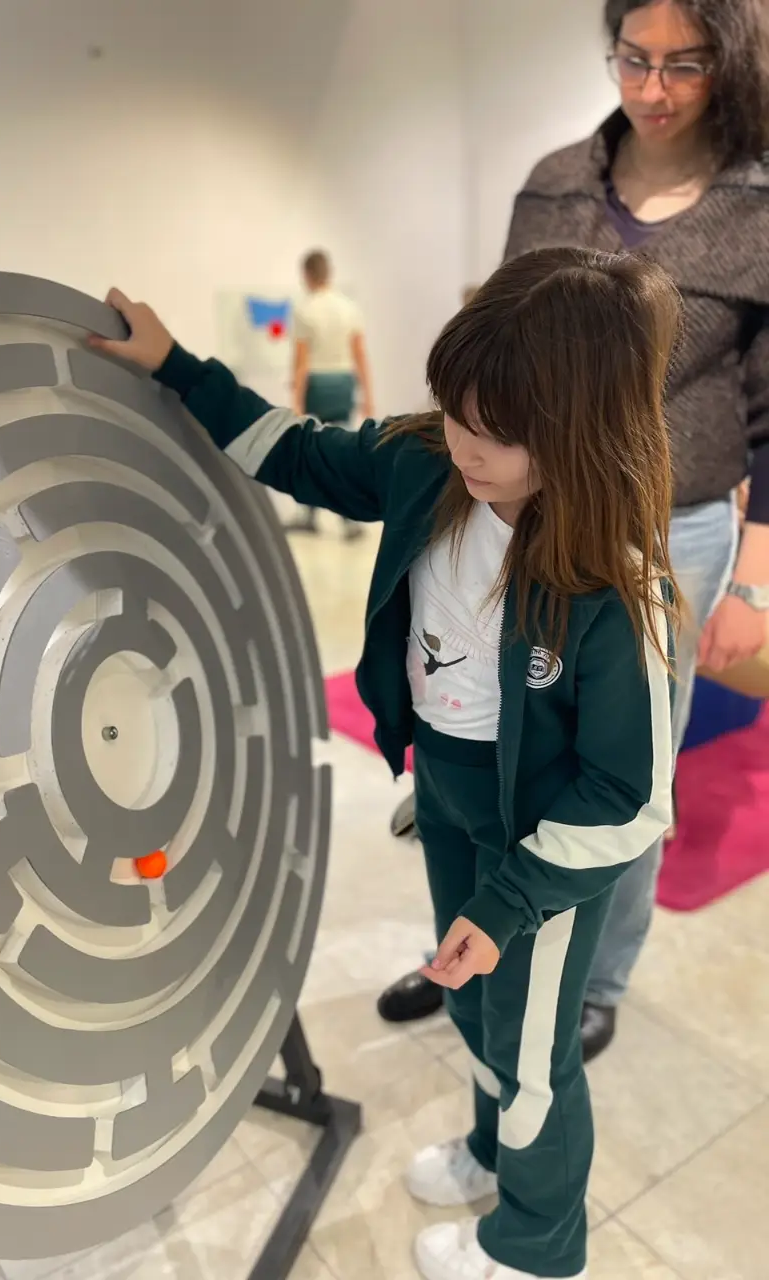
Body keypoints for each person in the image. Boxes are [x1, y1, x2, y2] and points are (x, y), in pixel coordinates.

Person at [88, 246, 680, 1280]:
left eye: (495, 432)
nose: (464, 445)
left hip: (541, 853)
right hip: (447, 798)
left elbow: (628, 799)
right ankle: (493, 1152)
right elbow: (299, 451)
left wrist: (511, 902)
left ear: (577, 433)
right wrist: (178, 365)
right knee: (471, 1005)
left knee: (531, 1049)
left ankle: (537, 1244)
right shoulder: (426, 463)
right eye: (455, 413)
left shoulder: (611, 584)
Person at [377, 0, 769, 1061]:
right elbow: (504, 332)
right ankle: (470, 940)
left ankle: (594, 978)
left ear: (731, 61)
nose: (653, 87)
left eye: (685, 64)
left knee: (622, 770)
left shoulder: (759, 202)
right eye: (633, 58)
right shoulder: (555, 181)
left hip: (674, 527)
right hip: (527, 513)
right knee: (487, 737)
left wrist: (754, 578)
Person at [285, 248, 374, 537]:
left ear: (307, 275)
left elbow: (301, 362)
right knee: (343, 449)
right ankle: (349, 519)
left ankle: (309, 515)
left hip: (317, 384)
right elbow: (360, 355)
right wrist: (368, 396)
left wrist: (296, 401)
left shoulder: (304, 309)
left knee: (311, 450)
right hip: (343, 383)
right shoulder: (349, 307)